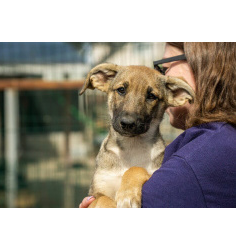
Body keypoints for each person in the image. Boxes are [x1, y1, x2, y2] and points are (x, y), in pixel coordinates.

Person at [79, 42, 236, 208]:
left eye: (165, 67)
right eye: (121, 91)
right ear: (102, 80)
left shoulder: (190, 160)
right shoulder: (199, 144)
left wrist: (135, 175)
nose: (129, 117)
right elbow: (96, 198)